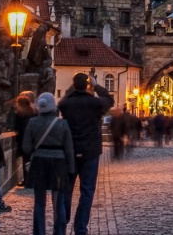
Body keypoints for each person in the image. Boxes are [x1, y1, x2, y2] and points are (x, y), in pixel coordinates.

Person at [58, 72, 113, 235]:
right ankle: (80, 228)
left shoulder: (66, 105)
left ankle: (63, 222)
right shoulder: (95, 103)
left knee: (66, 190)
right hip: (90, 152)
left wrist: (72, 88)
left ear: (74, 85)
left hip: (70, 151)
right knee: (87, 191)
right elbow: (110, 100)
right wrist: (95, 85)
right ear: (88, 85)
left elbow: (61, 101)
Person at [22, 93, 74, 235]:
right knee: (59, 202)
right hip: (58, 164)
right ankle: (59, 231)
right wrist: (71, 168)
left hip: (39, 162)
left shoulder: (32, 123)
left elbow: (26, 147)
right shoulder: (62, 124)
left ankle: (39, 232)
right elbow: (69, 149)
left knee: (39, 202)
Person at [14, 91, 38, 187]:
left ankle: (27, 180)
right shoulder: (34, 111)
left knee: (26, 161)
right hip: (34, 139)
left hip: (24, 140)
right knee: (32, 160)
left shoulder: (19, 113)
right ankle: (32, 180)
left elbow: (17, 127)